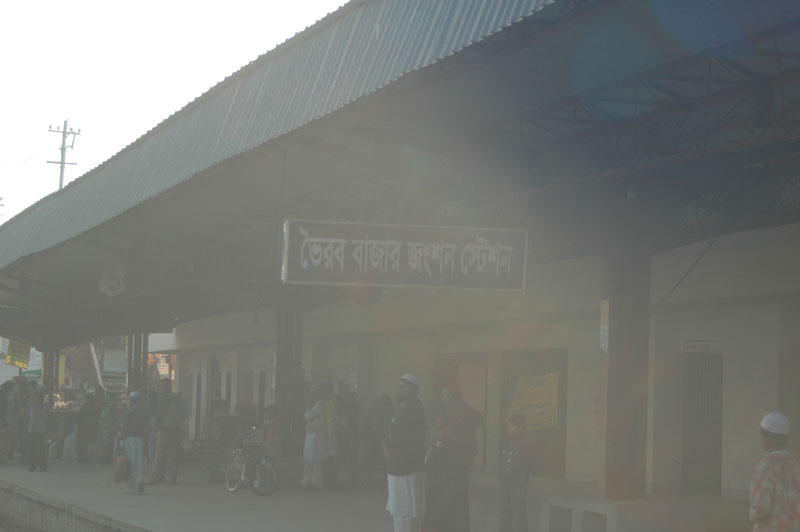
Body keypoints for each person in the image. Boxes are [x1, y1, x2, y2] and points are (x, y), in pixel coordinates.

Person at [424, 385, 477, 532]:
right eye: (442, 393)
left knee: (451, 503)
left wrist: (438, 436)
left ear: (453, 395)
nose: (442, 397)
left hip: (452, 467)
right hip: (444, 466)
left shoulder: (460, 411)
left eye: (445, 394)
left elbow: (457, 437)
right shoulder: (448, 411)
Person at [386, 373, 427, 532]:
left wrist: (391, 428)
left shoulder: (413, 408)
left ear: (413, 389)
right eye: (398, 387)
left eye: (403, 387)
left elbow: (398, 435)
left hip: (406, 467)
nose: (399, 390)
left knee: (406, 509)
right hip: (400, 466)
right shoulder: (403, 408)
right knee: (401, 510)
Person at [750, 412, 800, 532]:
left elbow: (760, 508)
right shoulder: (797, 462)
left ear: (766, 438)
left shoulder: (764, 468)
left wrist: (752, 516)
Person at [500, 414, 532, 532]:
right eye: (508, 426)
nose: (508, 429)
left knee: (519, 516)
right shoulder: (508, 441)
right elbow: (503, 462)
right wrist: (501, 479)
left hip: (517, 484)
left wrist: (522, 485)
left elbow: (526, 467)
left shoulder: (525, 444)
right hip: (506, 482)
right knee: (505, 513)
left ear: (520, 428)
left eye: (511, 426)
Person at [149, 378, 184, 484]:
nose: (161, 388)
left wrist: (157, 425)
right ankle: (172, 478)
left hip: (164, 429)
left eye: (163, 386)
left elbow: (161, 414)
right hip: (175, 429)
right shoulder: (176, 398)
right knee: (172, 455)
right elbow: (182, 414)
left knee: (159, 455)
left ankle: (155, 477)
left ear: (168, 386)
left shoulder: (164, 398)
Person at [120, 391, 149, 494]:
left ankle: (130, 488)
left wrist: (122, 443)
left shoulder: (128, 413)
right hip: (141, 440)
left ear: (131, 401)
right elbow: (147, 427)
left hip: (130, 440)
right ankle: (140, 480)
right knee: (140, 461)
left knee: (130, 463)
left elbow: (124, 428)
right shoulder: (144, 412)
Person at [302, 385, 328, 489]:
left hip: (315, 434)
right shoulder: (319, 403)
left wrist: (308, 408)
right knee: (314, 458)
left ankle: (314, 481)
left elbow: (309, 416)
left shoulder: (319, 404)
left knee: (313, 458)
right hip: (314, 433)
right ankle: (312, 481)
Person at [24, 386, 47, 472]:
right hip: (31, 430)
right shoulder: (30, 407)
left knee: (39, 449)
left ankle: (42, 465)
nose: (34, 400)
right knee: (32, 449)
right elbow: (25, 407)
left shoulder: (43, 407)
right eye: (33, 398)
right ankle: (32, 465)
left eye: (35, 398)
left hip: (39, 431)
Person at [77, 393, 98, 463]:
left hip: (85, 429)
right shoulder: (94, 408)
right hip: (90, 429)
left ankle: (83, 456)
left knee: (83, 442)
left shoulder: (84, 408)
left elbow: (79, 420)